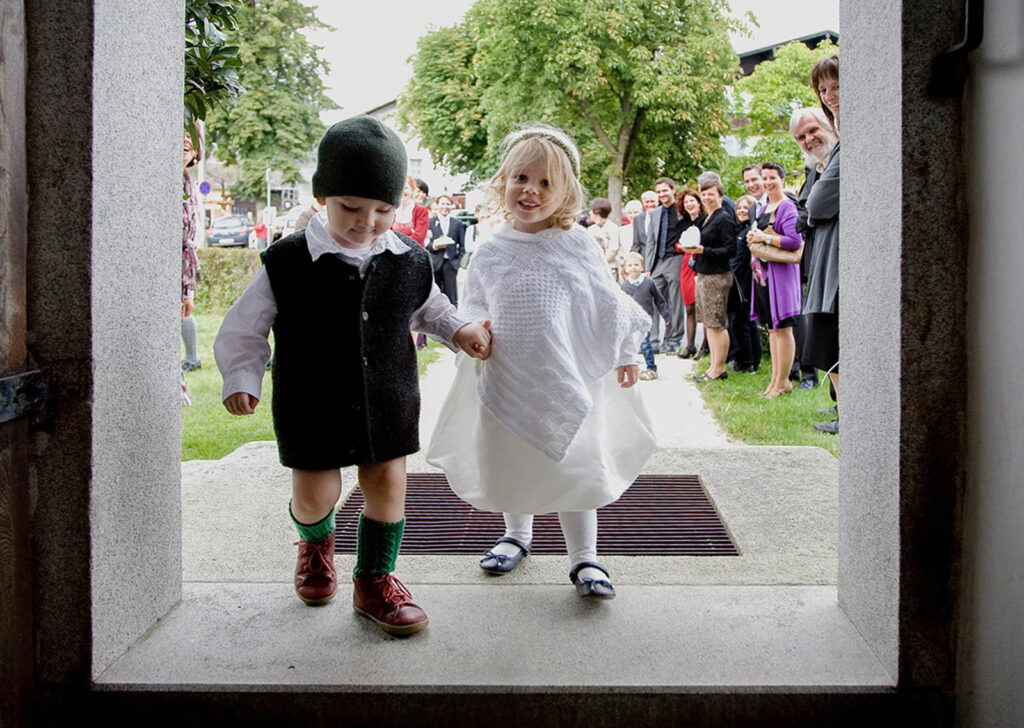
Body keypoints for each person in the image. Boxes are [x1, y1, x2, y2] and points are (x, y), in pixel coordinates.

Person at [213, 115, 492, 636]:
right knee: (318, 492)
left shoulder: (409, 260)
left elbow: (430, 309)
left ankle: (375, 580)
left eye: (383, 210)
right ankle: (315, 544)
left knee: (388, 483)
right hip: (311, 400)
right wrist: (242, 377)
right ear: (323, 196)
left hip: (387, 398)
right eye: (351, 208)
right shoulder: (288, 261)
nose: (367, 222)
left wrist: (461, 330)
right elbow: (244, 329)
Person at [427, 123, 655, 600]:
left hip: (567, 372)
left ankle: (584, 557)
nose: (531, 191)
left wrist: (627, 352)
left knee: (575, 465)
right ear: (503, 183)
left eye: (546, 183)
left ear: (566, 192)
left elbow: (606, 305)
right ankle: (517, 535)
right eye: (521, 178)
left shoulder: (575, 244)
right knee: (513, 462)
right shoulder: (489, 250)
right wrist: (471, 330)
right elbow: (473, 303)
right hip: (507, 373)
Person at [804, 56, 841, 432]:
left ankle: (846, 412)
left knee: (831, 336)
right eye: (823, 90)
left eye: (836, 86)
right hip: (826, 253)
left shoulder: (846, 149)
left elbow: (815, 204)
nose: (830, 95)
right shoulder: (826, 158)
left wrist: (813, 213)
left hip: (837, 256)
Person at [746, 162, 803, 398]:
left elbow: (794, 241)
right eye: (765, 178)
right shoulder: (763, 208)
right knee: (772, 329)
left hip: (781, 277)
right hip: (762, 278)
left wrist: (765, 239)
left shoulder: (787, 208)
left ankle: (783, 381)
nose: (768, 182)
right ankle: (775, 381)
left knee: (783, 329)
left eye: (772, 178)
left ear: (782, 179)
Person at [682, 179, 736, 382]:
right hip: (704, 275)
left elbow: (731, 250)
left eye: (711, 194)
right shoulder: (708, 218)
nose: (707, 198)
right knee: (709, 324)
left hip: (717, 276)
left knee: (717, 324)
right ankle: (713, 365)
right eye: (703, 194)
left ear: (720, 196)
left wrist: (705, 250)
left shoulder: (724, 218)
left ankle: (719, 368)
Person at [650, 177, 686, 355]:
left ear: (673, 190)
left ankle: (673, 341)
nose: (662, 194)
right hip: (658, 262)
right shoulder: (655, 213)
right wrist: (648, 267)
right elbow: (651, 241)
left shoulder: (682, 209)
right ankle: (653, 340)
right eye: (659, 192)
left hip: (676, 258)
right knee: (652, 300)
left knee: (676, 303)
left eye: (665, 190)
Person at [620, 251, 671, 380]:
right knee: (632, 344)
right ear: (625, 269)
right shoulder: (624, 286)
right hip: (631, 320)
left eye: (636, 264)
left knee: (645, 343)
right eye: (630, 265)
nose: (633, 267)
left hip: (646, 319)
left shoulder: (649, 283)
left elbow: (659, 300)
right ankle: (633, 366)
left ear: (642, 267)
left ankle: (651, 368)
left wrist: (666, 315)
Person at [727, 195, 762, 373]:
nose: (741, 210)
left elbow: (739, 260)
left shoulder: (748, 232)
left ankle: (745, 361)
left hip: (745, 281)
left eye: (745, 207)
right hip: (740, 281)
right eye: (739, 207)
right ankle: (752, 359)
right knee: (746, 322)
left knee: (740, 322)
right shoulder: (738, 230)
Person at [673, 188, 706, 359]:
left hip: (702, 262)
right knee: (689, 307)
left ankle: (705, 347)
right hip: (687, 264)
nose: (690, 204)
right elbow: (677, 245)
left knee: (704, 306)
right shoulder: (682, 224)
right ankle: (690, 345)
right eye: (686, 202)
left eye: (692, 200)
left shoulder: (706, 220)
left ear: (699, 202)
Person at [181, 129, 202, 395]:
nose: (186, 141)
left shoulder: (189, 184)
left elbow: (189, 245)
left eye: (190, 136)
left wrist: (188, 291)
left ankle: (193, 357)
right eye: (180, 133)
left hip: (181, 275)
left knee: (187, 313)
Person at [631, 189, 664, 347]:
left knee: (661, 301)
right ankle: (650, 340)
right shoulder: (638, 219)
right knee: (646, 302)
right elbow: (637, 243)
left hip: (661, 263)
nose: (650, 205)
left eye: (653, 201)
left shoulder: (662, 216)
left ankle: (665, 340)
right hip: (643, 265)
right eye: (647, 202)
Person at [425, 194, 465, 305]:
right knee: (434, 296)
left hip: (450, 263)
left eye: (448, 204)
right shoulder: (430, 222)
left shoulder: (457, 223)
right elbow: (426, 245)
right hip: (435, 262)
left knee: (451, 297)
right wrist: (435, 246)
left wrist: (457, 263)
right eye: (443, 203)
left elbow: (463, 246)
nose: (445, 206)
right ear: (437, 205)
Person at [586, 197, 624, 281]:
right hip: (594, 269)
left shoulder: (612, 228)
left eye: (591, 210)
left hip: (609, 269)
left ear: (597, 212)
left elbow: (613, 248)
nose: (590, 213)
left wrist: (602, 262)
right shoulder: (591, 229)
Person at [391, 175, 430, 246]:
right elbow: (387, 233)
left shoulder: (421, 210)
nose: (402, 191)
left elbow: (419, 237)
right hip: (393, 252)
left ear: (412, 190)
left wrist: (399, 244)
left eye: (406, 188)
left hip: (414, 252)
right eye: (400, 188)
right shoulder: (392, 210)